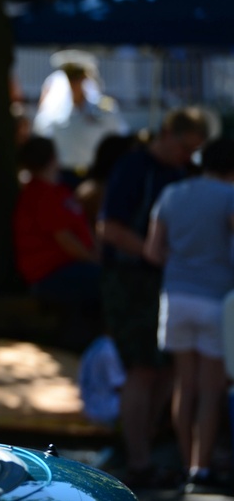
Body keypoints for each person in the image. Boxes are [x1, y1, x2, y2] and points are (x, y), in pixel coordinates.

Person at [99, 106, 209, 489]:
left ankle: (142, 450)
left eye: (194, 150)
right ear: (167, 134)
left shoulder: (183, 174)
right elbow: (109, 228)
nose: (187, 156)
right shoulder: (134, 167)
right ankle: (138, 460)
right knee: (142, 370)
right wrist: (152, 251)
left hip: (167, 283)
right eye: (184, 147)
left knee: (167, 369)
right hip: (129, 281)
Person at [143, 137, 234, 494]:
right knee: (211, 389)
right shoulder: (228, 196)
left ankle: (185, 463)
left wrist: (183, 267)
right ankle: (202, 467)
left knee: (185, 383)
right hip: (215, 300)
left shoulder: (172, 194)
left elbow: (152, 251)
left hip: (175, 298)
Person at [12, 135, 101, 352]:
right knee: (107, 282)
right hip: (52, 274)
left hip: (72, 268)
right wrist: (95, 261)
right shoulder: (40, 194)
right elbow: (65, 240)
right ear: (53, 158)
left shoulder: (57, 190)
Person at [33, 51, 128, 189]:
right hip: (63, 176)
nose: (74, 84)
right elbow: (41, 135)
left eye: (78, 78)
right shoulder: (52, 111)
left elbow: (120, 135)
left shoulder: (104, 109)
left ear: (86, 78)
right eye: (71, 78)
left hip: (94, 175)